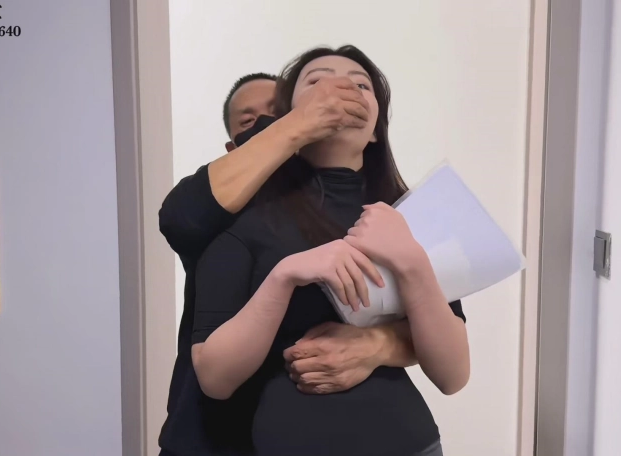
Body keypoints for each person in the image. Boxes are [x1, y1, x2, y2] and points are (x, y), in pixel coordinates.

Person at [190, 45, 471, 456]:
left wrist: (411, 260)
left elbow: (453, 375)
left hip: (412, 444)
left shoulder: (412, 216)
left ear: (376, 130)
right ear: (289, 119)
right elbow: (215, 379)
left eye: (361, 85)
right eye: (317, 81)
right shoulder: (242, 217)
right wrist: (284, 276)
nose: (341, 89)